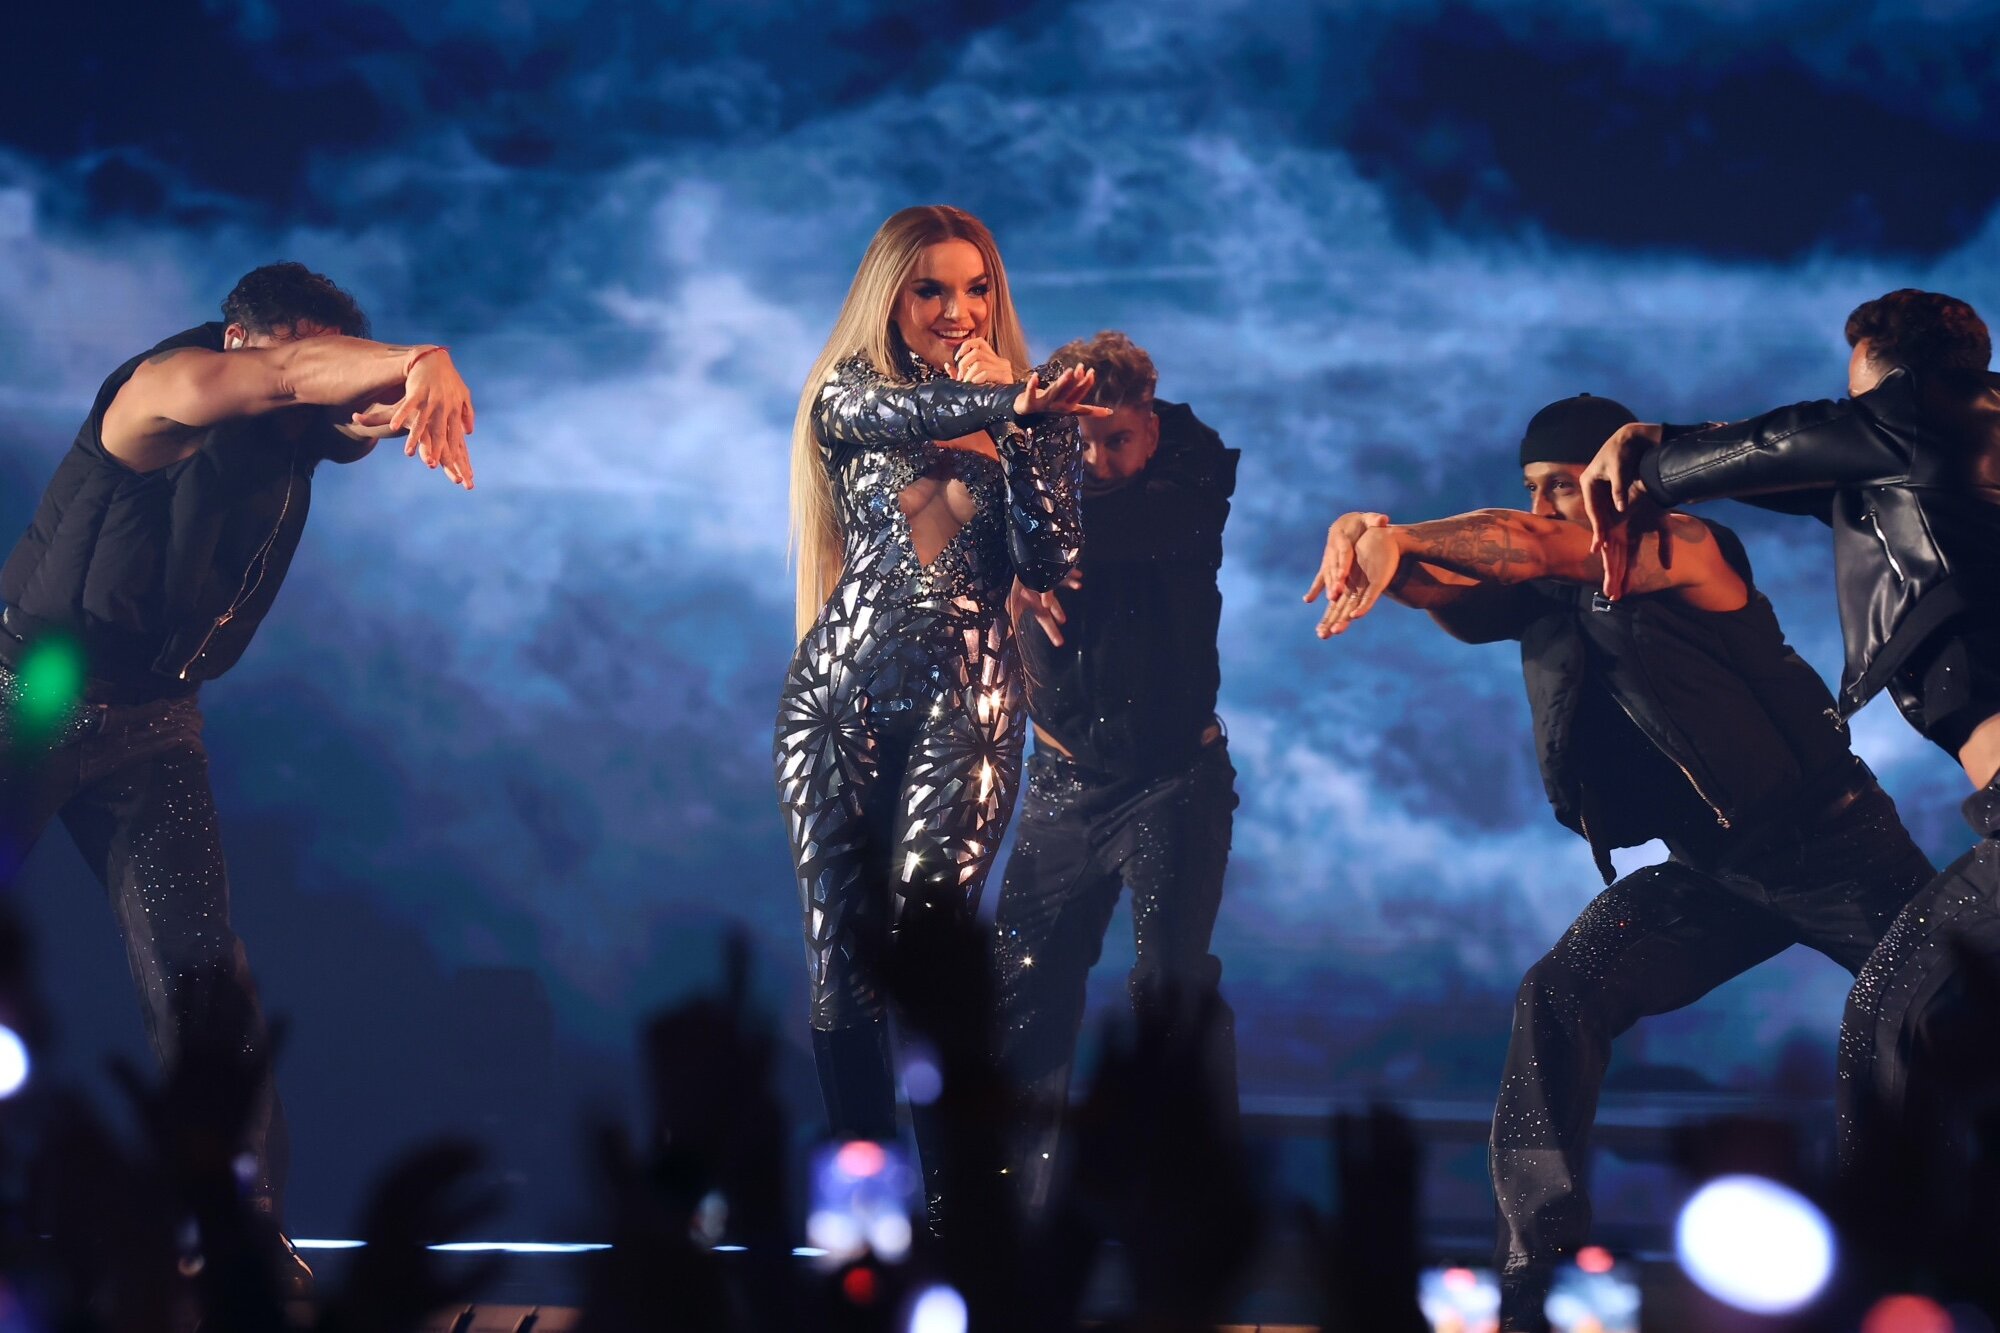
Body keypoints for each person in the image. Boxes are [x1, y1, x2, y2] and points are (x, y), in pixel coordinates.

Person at [1309, 394, 1934, 1332]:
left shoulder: (1684, 545)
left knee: (1921, 1028)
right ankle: (1534, 1284)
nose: (1552, 505)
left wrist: (1405, 536)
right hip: (1714, 873)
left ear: (1617, 477)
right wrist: (1376, 543)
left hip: (1836, 846)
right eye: (1535, 490)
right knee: (1560, 995)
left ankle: (1885, 1277)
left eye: (1565, 483)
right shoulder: (1553, 588)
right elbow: (1453, 590)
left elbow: (1523, 547)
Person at [0, 261, 478, 1293]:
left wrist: (391, 402)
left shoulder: (300, 428)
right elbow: (295, 377)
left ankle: (234, 1227)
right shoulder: (166, 388)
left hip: (154, 721)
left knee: (203, 976)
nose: (308, 398)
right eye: (293, 368)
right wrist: (419, 358)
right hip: (24, 698)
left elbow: (339, 409)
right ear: (238, 341)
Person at [1576, 289, 2000, 1194]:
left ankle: (1893, 1281)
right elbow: (1806, 472)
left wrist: (1649, 456)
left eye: (1858, 393)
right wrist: (1667, 439)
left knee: (1894, 1014)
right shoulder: (1947, 458)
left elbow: (1788, 443)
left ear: (1889, 371)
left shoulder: (1922, 414)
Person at [772, 205, 1100, 1234]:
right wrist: (1010, 393)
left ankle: (963, 1231)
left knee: (931, 954)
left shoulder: (1022, 411)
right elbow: (883, 417)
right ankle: (862, 1219)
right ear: (889, 298)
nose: (956, 310)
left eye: (975, 290)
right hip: (833, 702)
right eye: (929, 290)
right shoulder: (847, 395)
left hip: (969, 704)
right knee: (840, 955)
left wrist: (1034, 426)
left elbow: (1053, 566)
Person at [989, 330, 1242, 1215]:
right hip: (1063, 790)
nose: (1096, 460)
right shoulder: (1032, 480)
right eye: (1080, 443)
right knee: (1020, 994)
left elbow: (1131, 530)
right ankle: (1011, 1231)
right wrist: (1015, 548)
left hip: (1175, 780)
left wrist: (1025, 550)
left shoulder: (1193, 474)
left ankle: (1188, 1231)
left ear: (1152, 428)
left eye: (1115, 441)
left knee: (1169, 994)